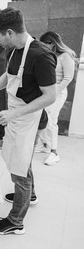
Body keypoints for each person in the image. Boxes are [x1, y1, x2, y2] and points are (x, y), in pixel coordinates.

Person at [0, 7, 57, 235]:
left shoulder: (40, 55)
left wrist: (13, 114)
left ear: (9, 33)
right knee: (20, 161)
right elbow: (8, 76)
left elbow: (50, 96)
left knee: (19, 171)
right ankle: (29, 195)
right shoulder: (15, 50)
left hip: (29, 119)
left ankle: (15, 221)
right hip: (18, 117)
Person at [36, 31, 76, 166]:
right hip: (46, 93)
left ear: (53, 43)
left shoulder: (65, 56)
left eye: (45, 44)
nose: (43, 47)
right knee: (44, 119)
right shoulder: (49, 56)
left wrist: (53, 92)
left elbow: (68, 78)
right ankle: (44, 146)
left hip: (58, 93)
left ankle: (54, 152)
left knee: (52, 121)